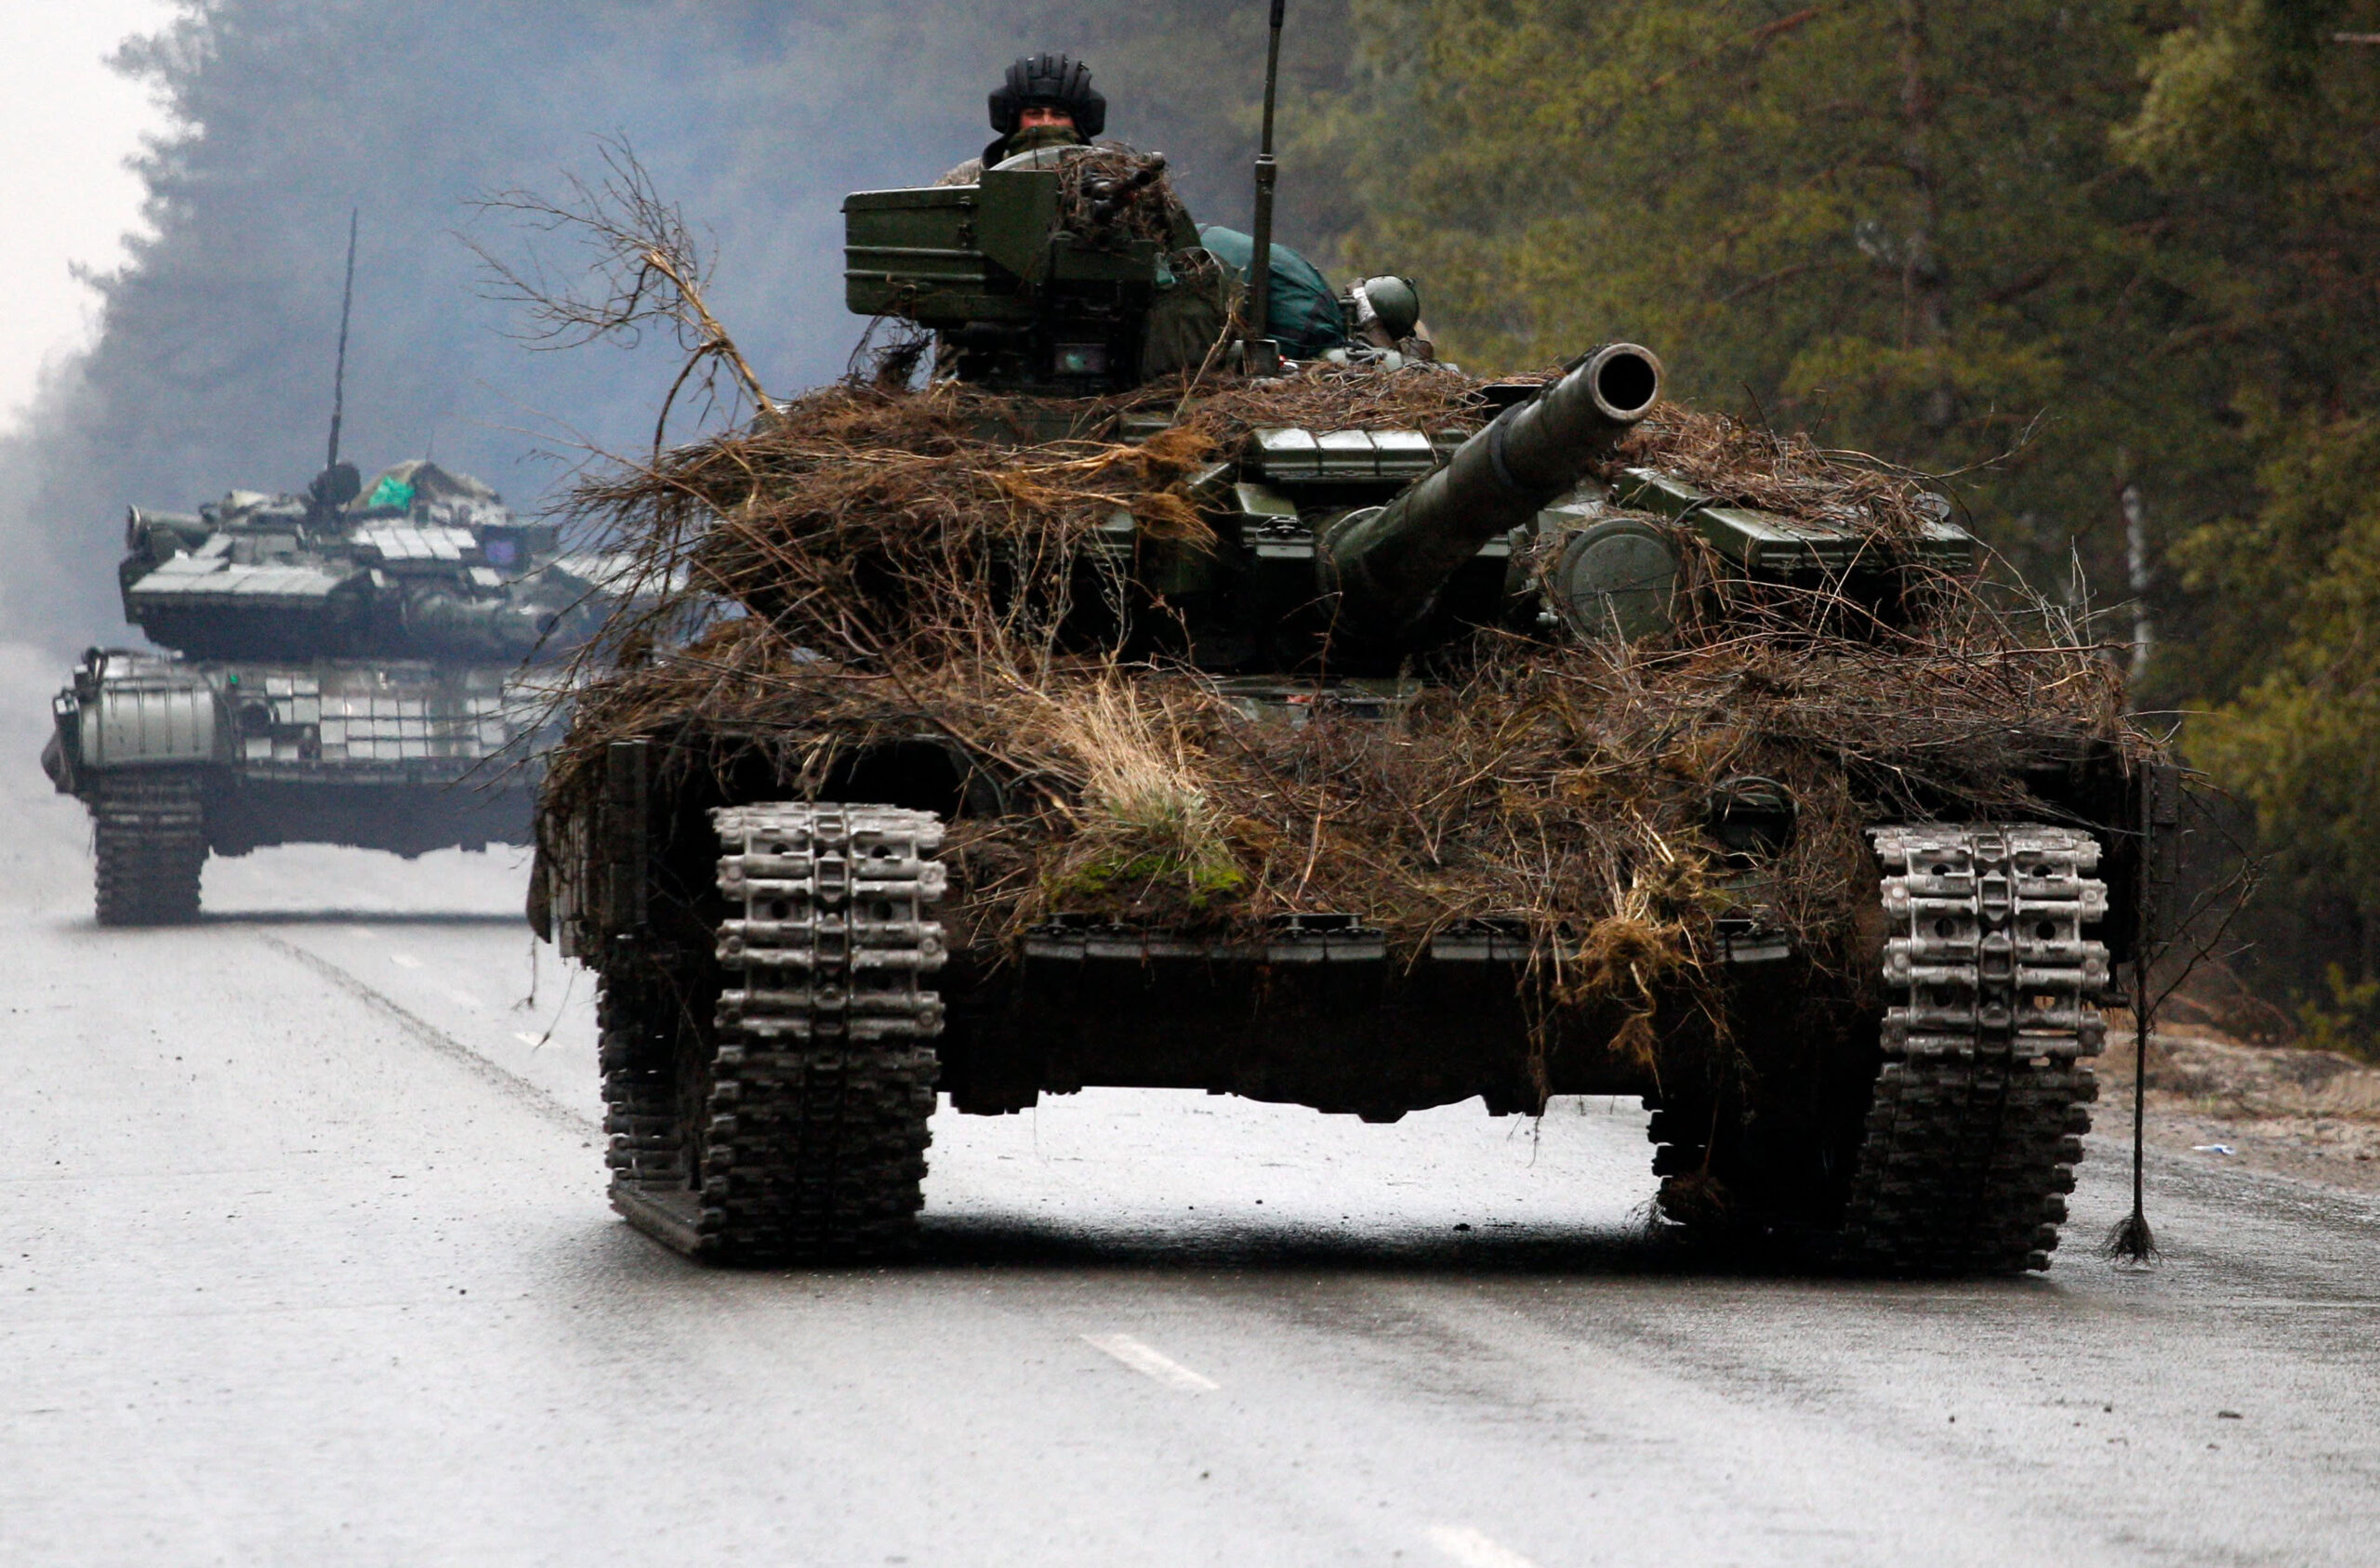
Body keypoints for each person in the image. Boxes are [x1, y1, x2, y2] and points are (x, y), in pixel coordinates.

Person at [938, 52, 1106, 186]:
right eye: (1035, 114)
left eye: (1059, 115)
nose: (1046, 123)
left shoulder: (1107, 176)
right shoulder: (969, 177)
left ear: (1077, 123)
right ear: (1016, 120)